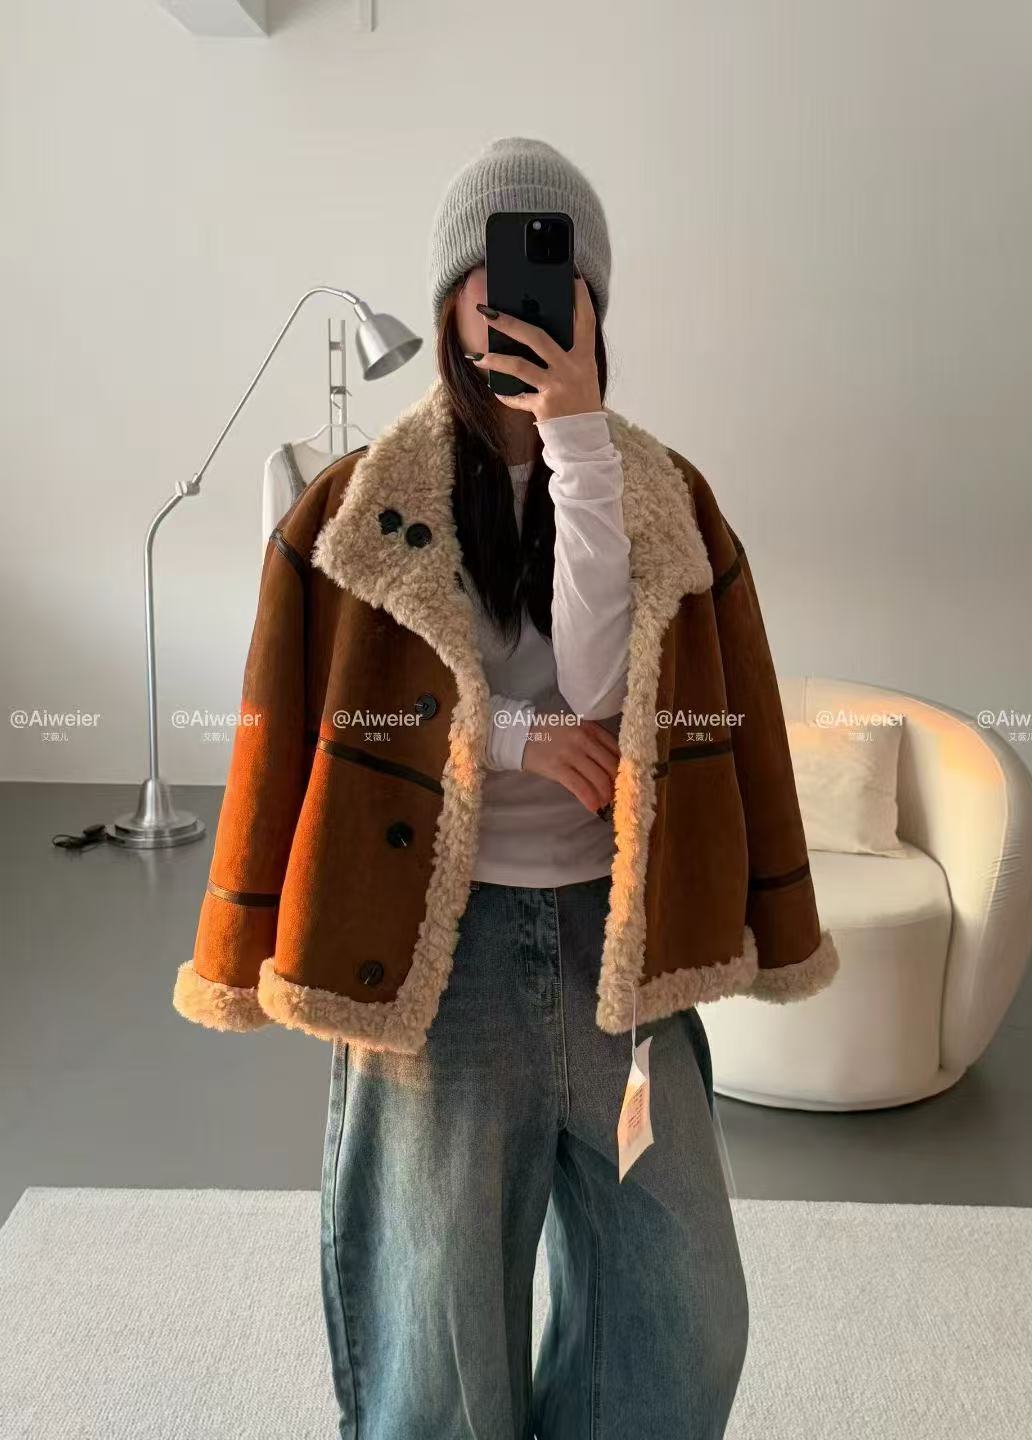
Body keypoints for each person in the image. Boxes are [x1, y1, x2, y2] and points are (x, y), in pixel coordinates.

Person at [174, 134, 839, 1439]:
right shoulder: (355, 510)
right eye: (487, 271)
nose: (511, 298)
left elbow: (604, 678)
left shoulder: (659, 494)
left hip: (617, 949)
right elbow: (321, 732)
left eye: (546, 272)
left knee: (682, 1315)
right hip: (444, 967)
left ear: (592, 303)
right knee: (439, 1348)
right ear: (445, 300)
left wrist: (576, 443)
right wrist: (508, 740)